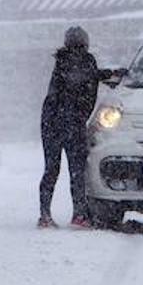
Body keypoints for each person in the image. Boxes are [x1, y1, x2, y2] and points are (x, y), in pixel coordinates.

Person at [38, 26, 114, 228]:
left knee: (52, 169)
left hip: (51, 123)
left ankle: (45, 215)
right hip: (71, 123)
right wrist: (109, 75)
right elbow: (82, 77)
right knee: (77, 171)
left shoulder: (62, 61)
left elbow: (82, 77)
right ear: (85, 42)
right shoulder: (84, 61)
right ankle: (79, 214)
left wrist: (104, 75)